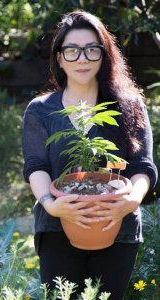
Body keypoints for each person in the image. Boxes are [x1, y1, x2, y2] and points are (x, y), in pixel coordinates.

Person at [22, 10, 158, 299]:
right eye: (72, 50)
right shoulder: (41, 110)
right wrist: (50, 203)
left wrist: (131, 201)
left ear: (104, 54)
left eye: (91, 50)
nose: (82, 58)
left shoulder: (129, 106)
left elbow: (143, 166)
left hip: (117, 224)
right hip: (57, 226)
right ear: (59, 57)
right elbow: (36, 166)